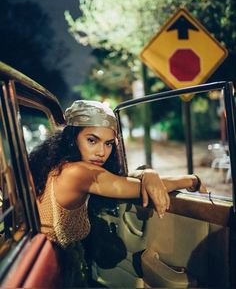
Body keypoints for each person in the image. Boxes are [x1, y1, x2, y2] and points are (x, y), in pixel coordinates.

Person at [29, 100, 207, 287]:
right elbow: (131, 186)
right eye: (92, 140)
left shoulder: (56, 166)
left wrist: (146, 173)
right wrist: (191, 180)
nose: (101, 152)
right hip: (49, 268)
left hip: (45, 262)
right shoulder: (78, 173)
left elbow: (120, 180)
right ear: (72, 138)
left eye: (108, 144)